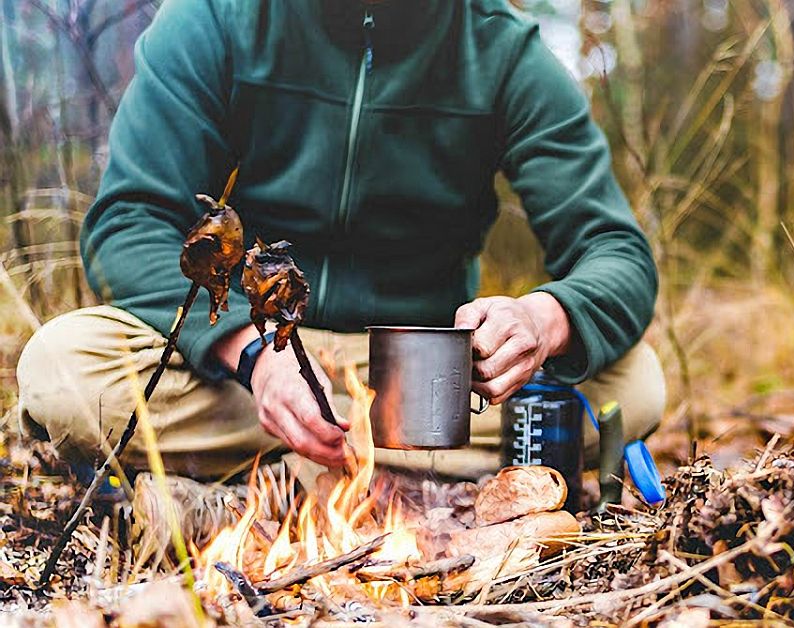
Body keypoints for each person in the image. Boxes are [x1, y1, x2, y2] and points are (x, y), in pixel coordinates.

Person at [13, 0, 665, 481]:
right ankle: (394, 475)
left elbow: (615, 250)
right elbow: (128, 222)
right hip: (243, 366)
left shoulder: (504, 54)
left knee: (633, 387)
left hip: (417, 379)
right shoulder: (214, 20)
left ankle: (275, 478)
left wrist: (542, 318)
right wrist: (255, 355)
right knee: (62, 370)